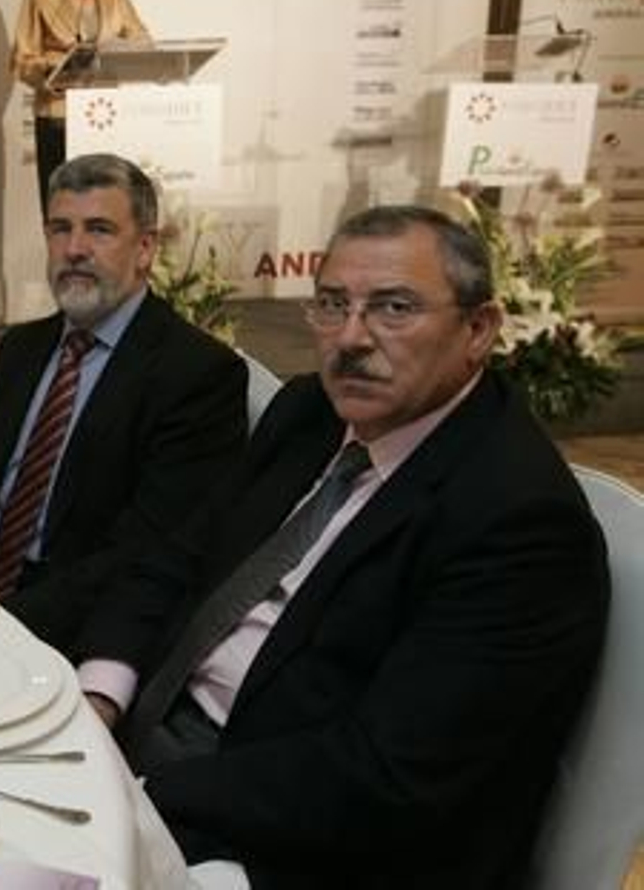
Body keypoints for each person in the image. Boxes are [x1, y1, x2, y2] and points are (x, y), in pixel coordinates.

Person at [75, 205, 610, 889]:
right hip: (160, 744)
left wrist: (143, 792)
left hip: (304, 846)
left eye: (393, 308)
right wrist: (100, 699)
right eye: (332, 305)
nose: (351, 338)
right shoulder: (309, 413)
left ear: (479, 329)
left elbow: (385, 778)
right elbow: (178, 555)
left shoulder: (519, 520)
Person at [0, 153, 247, 651]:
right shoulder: (22, 347)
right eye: (60, 229)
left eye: (100, 230)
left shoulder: (196, 375)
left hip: (72, 619)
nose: (75, 249)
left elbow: (143, 552)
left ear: (145, 248)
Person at [12, 0, 150, 214]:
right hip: (60, 116)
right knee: (65, 212)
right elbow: (22, 58)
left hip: (105, 114)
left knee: (106, 213)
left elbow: (140, 37)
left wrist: (124, 52)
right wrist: (52, 71)